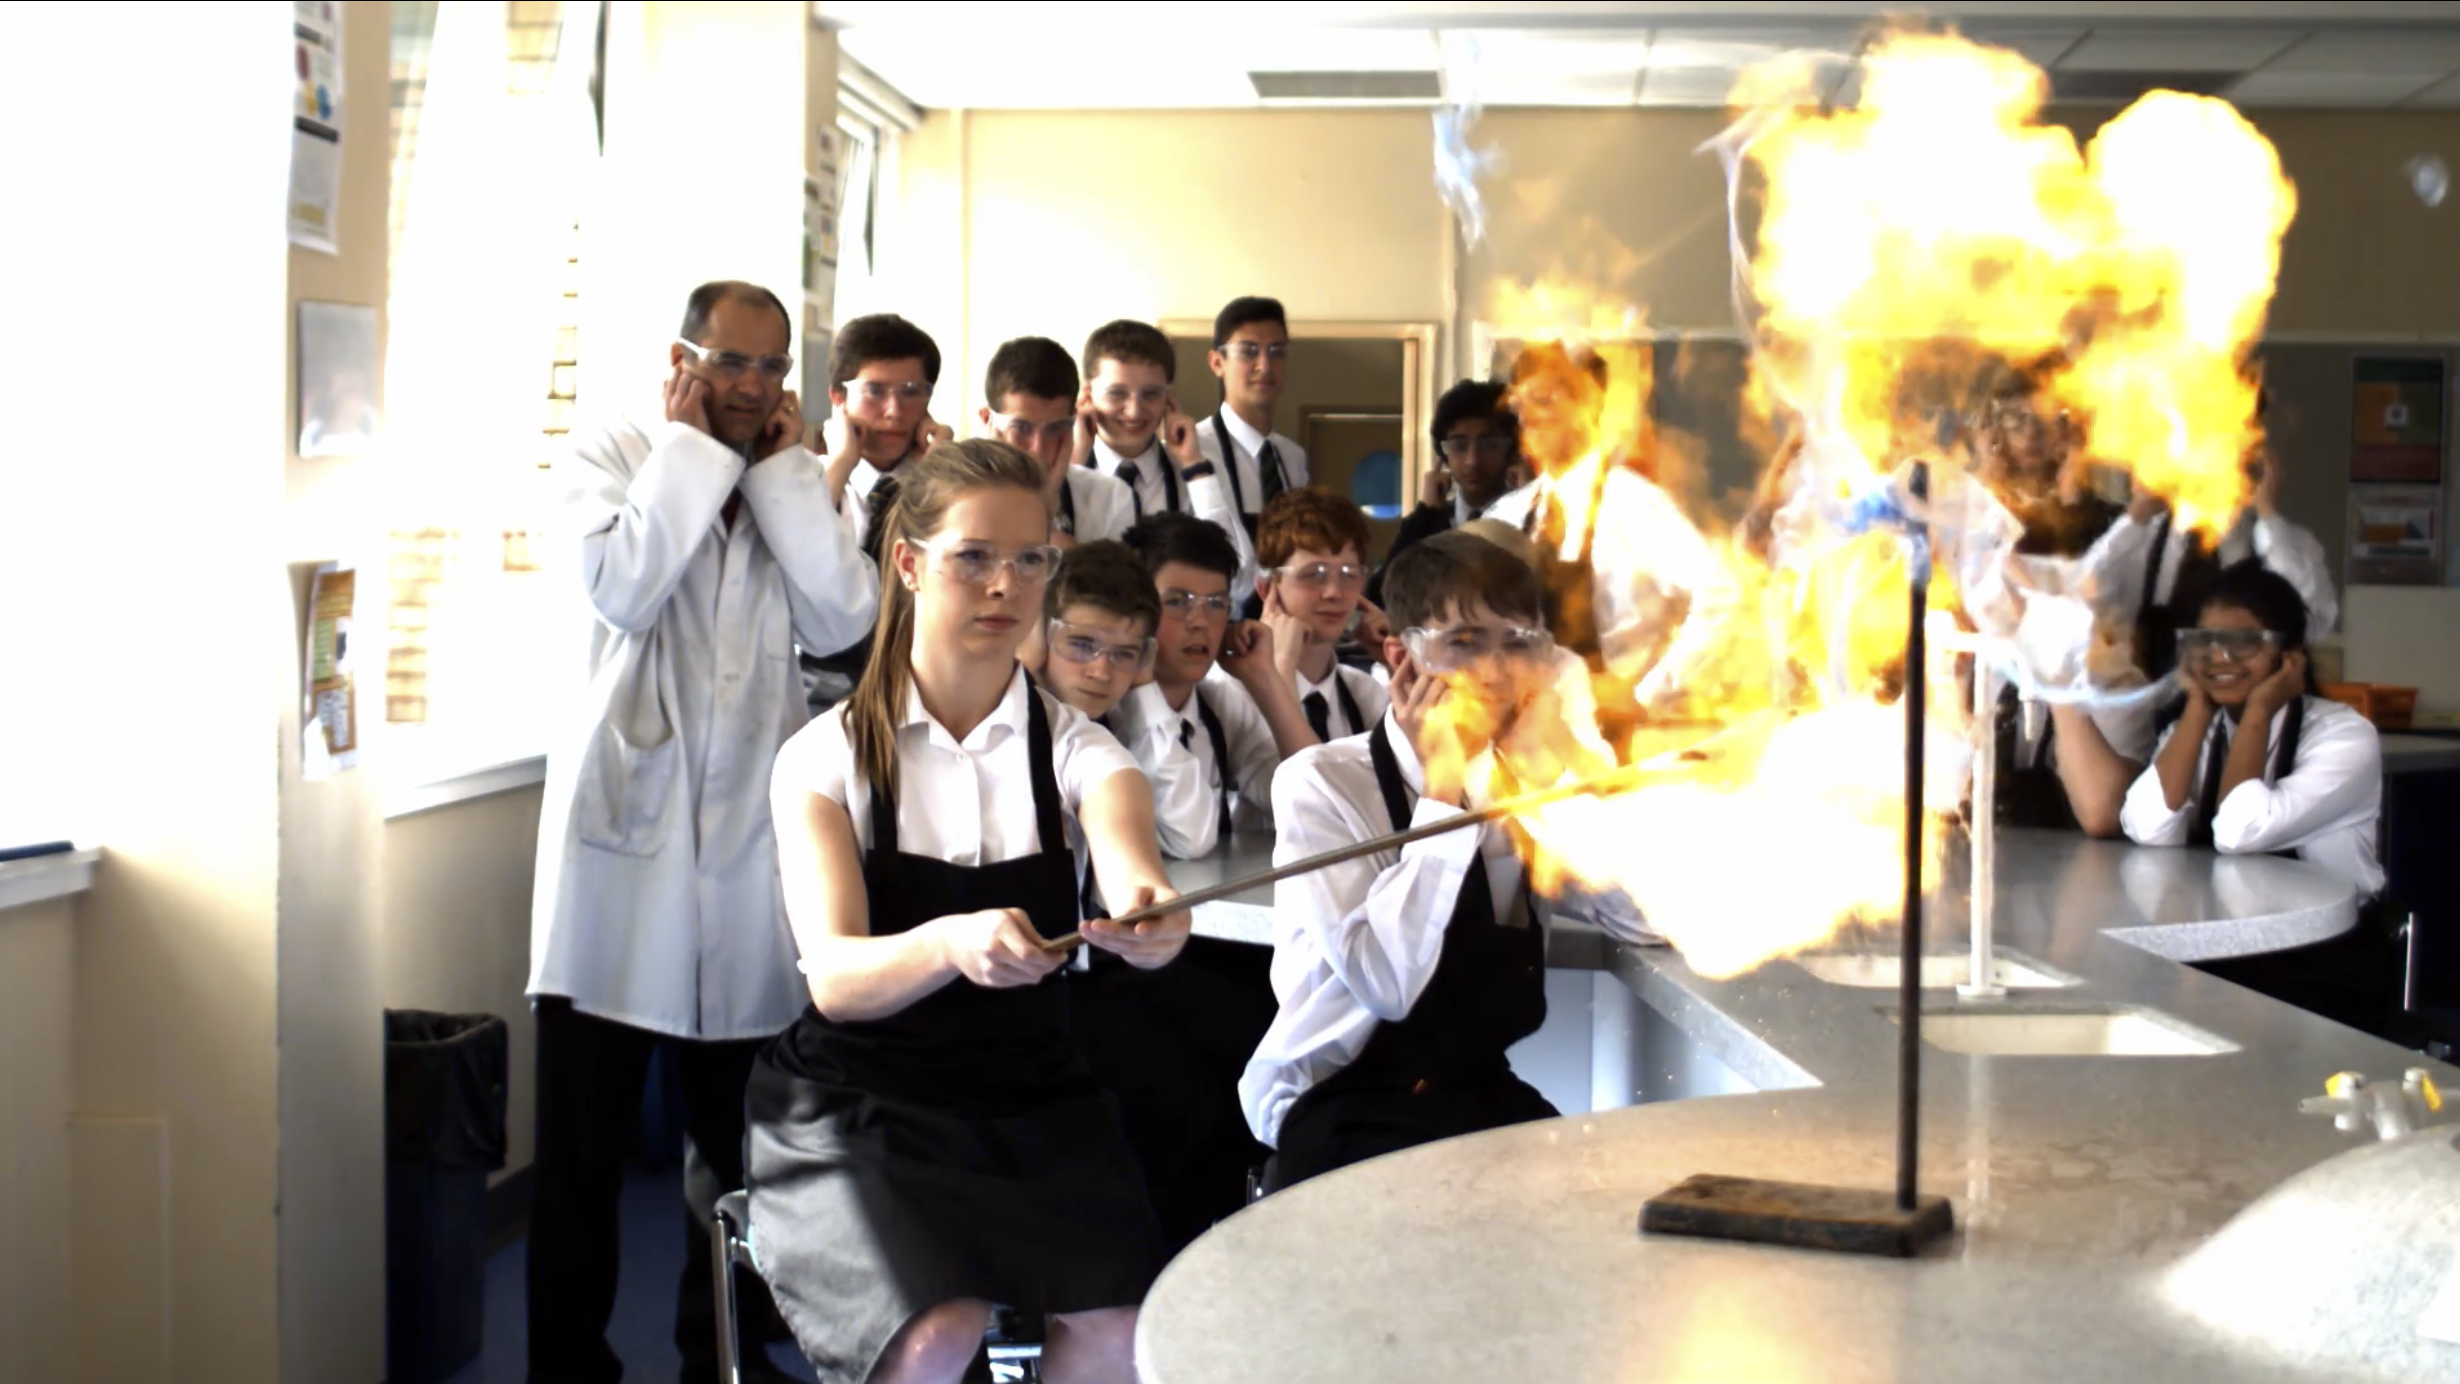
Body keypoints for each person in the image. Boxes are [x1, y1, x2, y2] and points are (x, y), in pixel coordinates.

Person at [745, 439, 1190, 1384]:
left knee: (1124, 1331)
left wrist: (1153, 921)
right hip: (864, 1096)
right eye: (974, 558)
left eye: (1031, 560)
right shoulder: (823, 760)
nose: (1007, 586)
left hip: (1029, 1088)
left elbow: (1132, 867)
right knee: (932, 1333)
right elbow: (836, 981)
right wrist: (950, 941)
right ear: (908, 563)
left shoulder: (1083, 755)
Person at [527, 280, 880, 1384]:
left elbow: (842, 616)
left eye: (771, 370)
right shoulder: (611, 450)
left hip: (742, 866)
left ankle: (717, 1349)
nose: (749, 388)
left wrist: (780, 474)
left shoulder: (793, 481)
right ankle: (565, 1363)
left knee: (737, 1155)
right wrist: (689, 452)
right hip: (614, 865)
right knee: (580, 1155)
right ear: (681, 359)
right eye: (731, 364)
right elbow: (623, 588)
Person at [1243, 530, 1653, 1194]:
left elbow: (1641, 917)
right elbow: (1386, 984)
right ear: (1401, 657)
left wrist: (1558, 772)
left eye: (1518, 641)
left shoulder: (1518, 782)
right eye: (1464, 643)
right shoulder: (1319, 783)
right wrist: (1442, 791)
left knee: (1598, 1218)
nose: (1496, 668)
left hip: (1473, 1092)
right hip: (1339, 1103)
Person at [1494, 341, 1738, 747]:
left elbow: (1722, 596)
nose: (1527, 417)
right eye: (1519, 405)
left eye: (1544, 400)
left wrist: (1646, 695)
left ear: (1589, 403)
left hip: (1614, 741)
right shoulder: (1510, 514)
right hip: (1525, 743)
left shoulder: (1633, 502)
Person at [2119, 560, 2383, 896]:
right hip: (2228, 930)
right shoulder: (2193, 732)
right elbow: (2148, 827)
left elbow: (2240, 832)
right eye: (2204, 641)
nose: (2220, 658)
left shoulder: (2345, 737)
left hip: (2331, 938)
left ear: (2289, 655)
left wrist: (2259, 710)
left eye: (2244, 642)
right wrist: (2198, 706)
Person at [1107, 511, 1318, 857]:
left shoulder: (1219, 704)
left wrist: (1263, 678)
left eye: (1217, 604)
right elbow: (1189, 837)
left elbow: (1314, 807)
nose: (1200, 622)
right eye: (1177, 602)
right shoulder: (1099, 707)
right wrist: (1143, 690)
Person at [1366, 378, 1524, 608]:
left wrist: (1528, 505)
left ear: (1512, 450)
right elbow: (1381, 598)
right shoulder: (1430, 523)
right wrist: (1425, 513)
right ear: (1443, 454)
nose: (1472, 461)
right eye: (1459, 446)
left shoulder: (1528, 519)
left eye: (1488, 445)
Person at [1255, 486, 1389, 742]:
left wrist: (1399, 663)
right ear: (1267, 587)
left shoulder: (1364, 692)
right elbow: (1293, 777)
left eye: (1349, 574)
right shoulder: (1232, 691)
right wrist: (1282, 664)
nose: (1334, 592)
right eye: (1314, 574)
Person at [978, 335, 1136, 548]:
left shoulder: (1110, 498)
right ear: (988, 421)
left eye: (1055, 429)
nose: (1038, 449)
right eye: (1021, 428)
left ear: (1072, 424)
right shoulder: (953, 495)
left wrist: (1049, 504)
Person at [823, 313, 954, 557]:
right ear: (838, 397)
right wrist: (840, 465)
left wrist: (937, 475)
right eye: (874, 391)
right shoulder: (807, 479)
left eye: (911, 392)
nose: (894, 411)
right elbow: (795, 553)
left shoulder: (949, 483)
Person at [1192, 296, 1309, 548]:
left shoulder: (1293, 458)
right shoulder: (1192, 452)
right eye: (1248, 351)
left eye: (1277, 352)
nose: (1265, 366)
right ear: (1217, 362)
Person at [1028, 539, 1159, 731]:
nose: (1102, 673)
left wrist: (1144, 688)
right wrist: (1023, 665)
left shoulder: (1121, 726)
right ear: (1042, 635)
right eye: (1082, 645)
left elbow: (1165, 762)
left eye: (1124, 654)